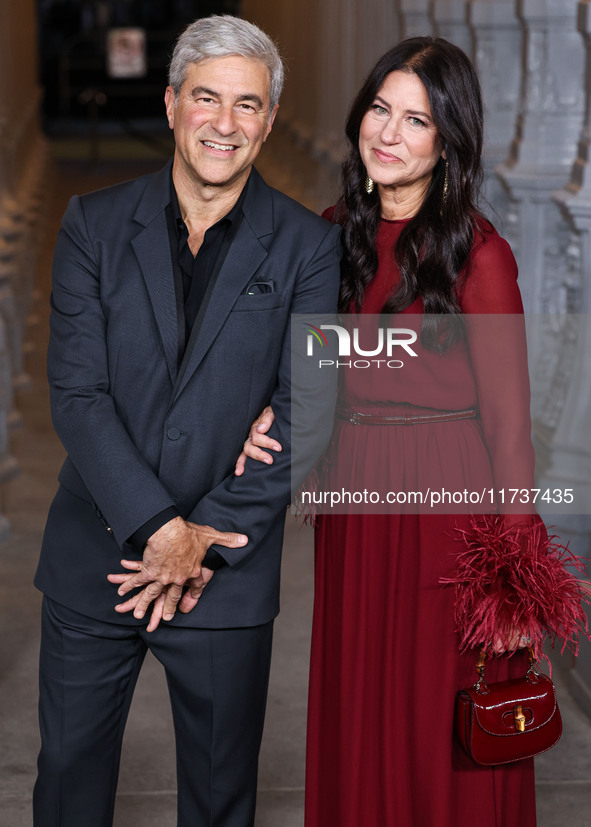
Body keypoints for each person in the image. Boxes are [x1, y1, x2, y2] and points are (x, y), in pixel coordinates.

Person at [33, 15, 340, 827]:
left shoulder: (308, 248)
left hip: (224, 573)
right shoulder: (91, 225)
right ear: (171, 104)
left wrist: (201, 535)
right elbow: (78, 393)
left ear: (270, 120)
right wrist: (159, 526)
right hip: (95, 553)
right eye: (207, 98)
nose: (225, 123)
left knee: (217, 795)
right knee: (67, 776)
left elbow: (308, 410)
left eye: (247, 104)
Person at [236, 37, 540, 827]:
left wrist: (511, 576)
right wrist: (271, 407)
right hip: (355, 494)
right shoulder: (332, 231)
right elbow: (309, 359)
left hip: (448, 503)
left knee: (437, 711)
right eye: (379, 108)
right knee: (359, 694)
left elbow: (510, 429)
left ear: (448, 143)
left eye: (415, 120)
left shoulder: (481, 257)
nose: (388, 133)